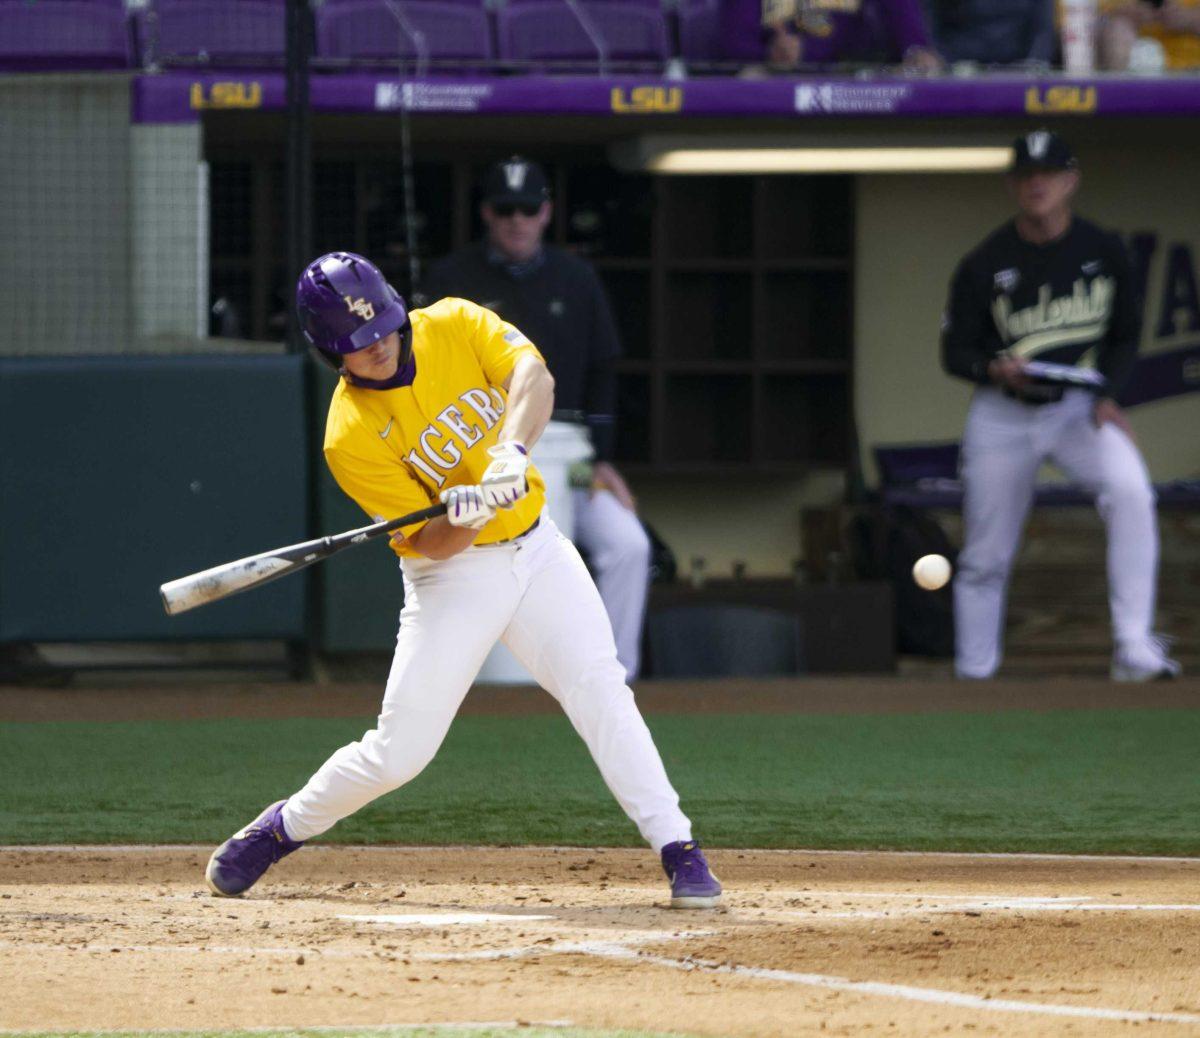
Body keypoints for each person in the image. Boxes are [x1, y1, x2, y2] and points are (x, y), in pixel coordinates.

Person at [204, 252, 721, 909]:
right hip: (453, 578)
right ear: (330, 352)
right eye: (360, 345)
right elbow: (431, 545)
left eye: (386, 330)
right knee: (399, 755)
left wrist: (509, 451)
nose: (381, 348)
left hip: (540, 551)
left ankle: (680, 850)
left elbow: (534, 377)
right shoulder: (350, 435)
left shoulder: (453, 321)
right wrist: (471, 514)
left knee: (601, 691)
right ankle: (283, 828)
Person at [940, 129, 1179, 682]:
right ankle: (974, 674)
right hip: (1003, 410)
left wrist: (1106, 395)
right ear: (1012, 185)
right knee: (985, 552)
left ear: (1071, 181)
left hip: (1076, 405)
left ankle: (1132, 646)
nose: (1037, 184)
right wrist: (991, 367)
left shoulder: (1103, 251)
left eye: (1047, 174)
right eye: (1026, 175)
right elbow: (955, 352)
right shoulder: (985, 262)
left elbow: (1124, 336)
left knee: (1131, 491)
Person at [418, 158, 651, 681]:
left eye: (528, 209)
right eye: (505, 209)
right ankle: (474, 679)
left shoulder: (576, 278)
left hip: (570, 448)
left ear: (547, 212)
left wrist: (605, 459)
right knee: (484, 559)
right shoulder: (453, 280)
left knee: (629, 545)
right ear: (486, 214)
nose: (516, 220)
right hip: (484, 448)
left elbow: (603, 371)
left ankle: (614, 675)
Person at [721, 0, 943, 72]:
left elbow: (913, 42)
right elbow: (734, 48)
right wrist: (766, 56)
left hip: (856, 90)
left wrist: (916, 50)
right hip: (778, 94)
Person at [925, 0, 1055, 67]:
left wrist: (1033, 69)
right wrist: (938, 57)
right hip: (956, 67)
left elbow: (1043, 33)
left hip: (1018, 68)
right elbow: (931, 21)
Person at [1097, 0, 1200, 71]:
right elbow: (1094, 18)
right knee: (1118, 28)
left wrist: (1187, 17)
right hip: (1134, 67)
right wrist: (1128, 13)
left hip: (1190, 67)